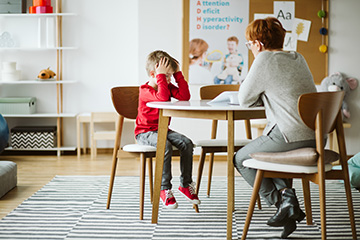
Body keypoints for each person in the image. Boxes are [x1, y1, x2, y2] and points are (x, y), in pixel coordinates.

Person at [234, 17, 317, 238]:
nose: (250, 48)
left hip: (289, 135)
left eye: (249, 43)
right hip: (314, 135)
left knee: (241, 158)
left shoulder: (264, 59)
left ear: (258, 43)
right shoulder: (298, 57)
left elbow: (244, 99)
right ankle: (287, 199)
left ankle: (282, 204)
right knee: (270, 157)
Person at [135, 50, 200, 209]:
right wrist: (161, 77)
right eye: (167, 75)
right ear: (154, 73)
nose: (169, 79)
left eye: (170, 76)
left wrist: (178, 74)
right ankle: (164, 188)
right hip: (144, 133)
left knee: (187, 143)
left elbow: (185, 96)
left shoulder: (168, 86)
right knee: (164, 146)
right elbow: (163, 97)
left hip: (163, 129)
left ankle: (185, 184)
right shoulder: (145, 90)